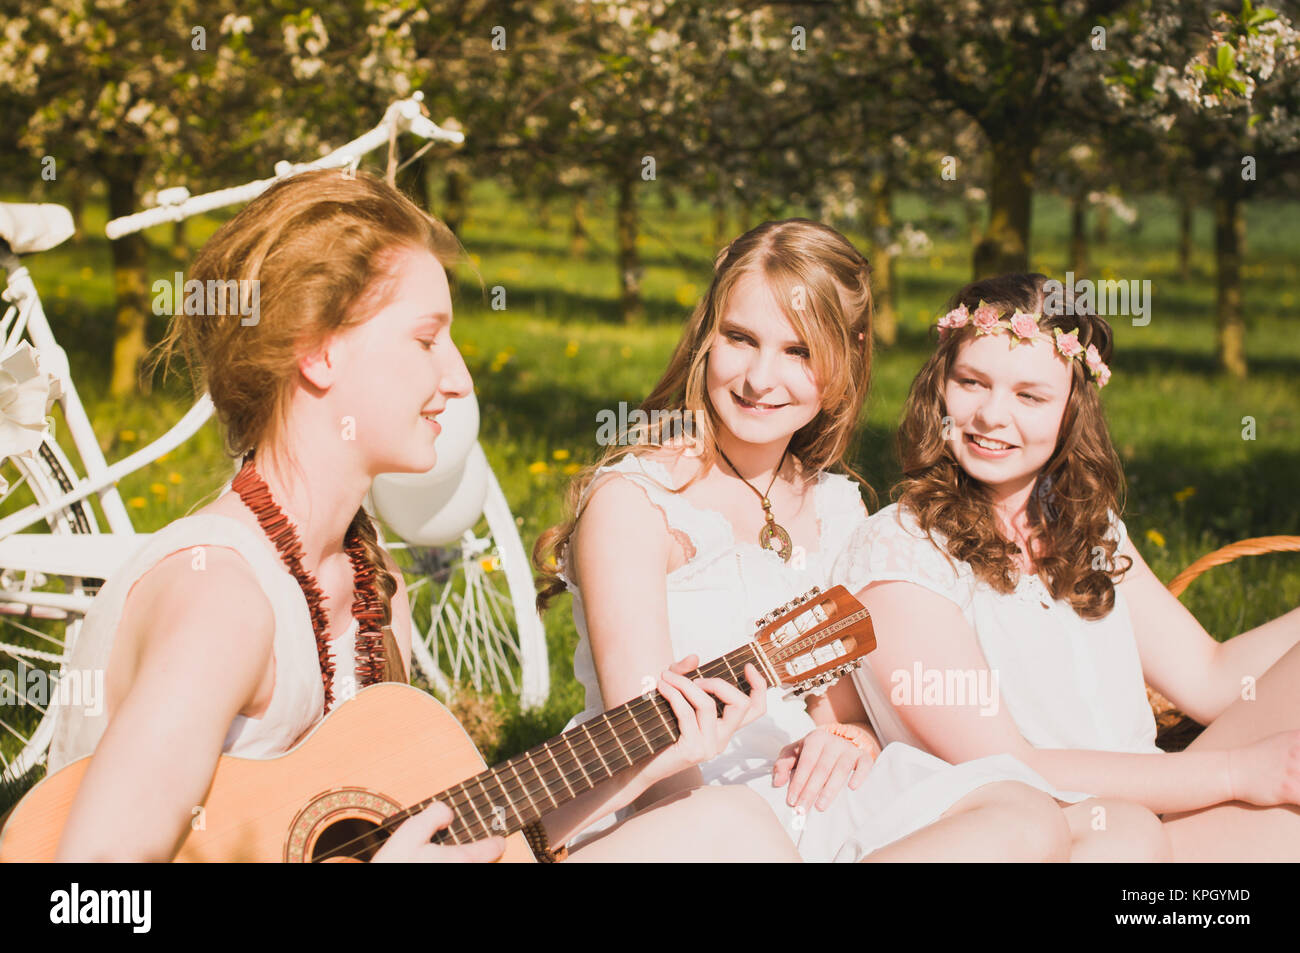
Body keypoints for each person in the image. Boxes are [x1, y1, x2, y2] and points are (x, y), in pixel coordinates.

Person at [46, 169, 799, 863]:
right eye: (426, 338)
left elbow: (441, 838)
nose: (458, 377)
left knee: (730, 827)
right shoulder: (222, 598)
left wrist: (646, 762)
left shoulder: (379, 589)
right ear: (318, 352)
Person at [535, 221, 1163, 861]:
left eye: (799, 352)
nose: (759, 378)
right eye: (740, 338)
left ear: (846, 360)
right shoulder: (639, 503)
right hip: (680, 808)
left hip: (806, 787)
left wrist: (854, 735)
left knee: (1049, 818)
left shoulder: (837, 506)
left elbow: (840, 700)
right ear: (706, 336)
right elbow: (645, 751)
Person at [831, 272, 1300, 861]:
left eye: (1030, 396)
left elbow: (1210, 679)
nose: (991, 416)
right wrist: (1237, 775)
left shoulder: (1084, 525)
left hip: (1158, 812)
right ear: (939, 388)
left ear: (1073, 411)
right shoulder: (899, 551)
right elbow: (1009, 763)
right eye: (971, 382)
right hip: (1062, 841)